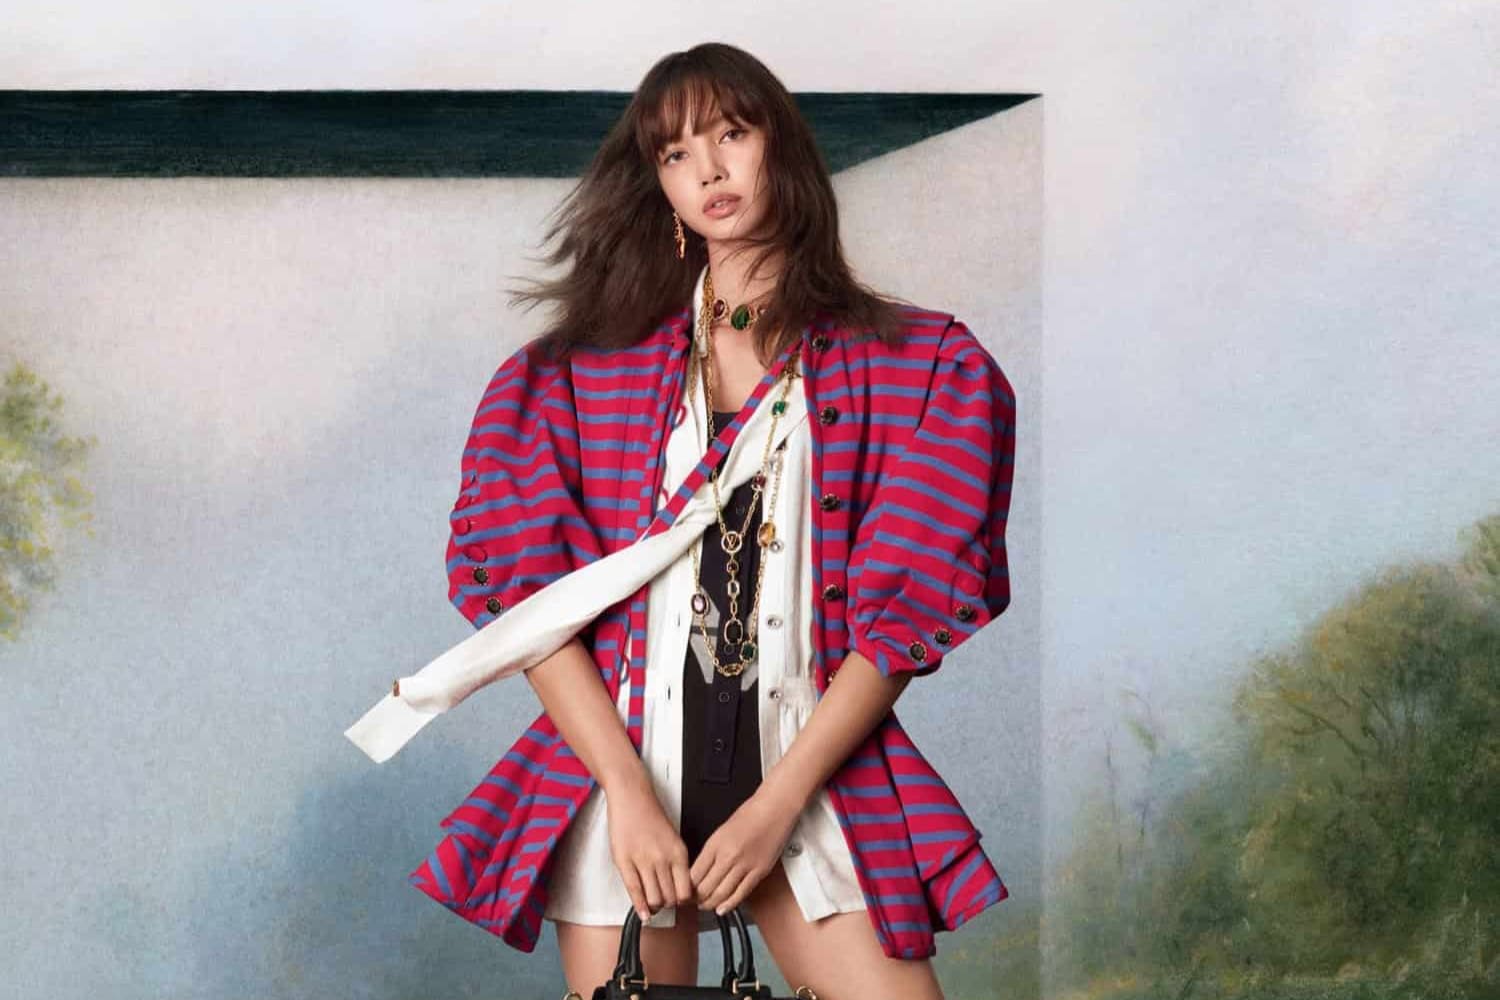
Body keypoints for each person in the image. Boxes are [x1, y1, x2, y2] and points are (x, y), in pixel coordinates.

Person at [346, 42, 1019, 1000]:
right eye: (675, 153)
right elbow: (537, 604)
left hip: (810, 780)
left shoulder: (920, 369)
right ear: (658, 185)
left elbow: (904, 614)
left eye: (731, 135)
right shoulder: (574, 379)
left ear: (781, 147)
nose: (707, 170)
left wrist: (775, 808)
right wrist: (625, 792)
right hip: (623, 785)